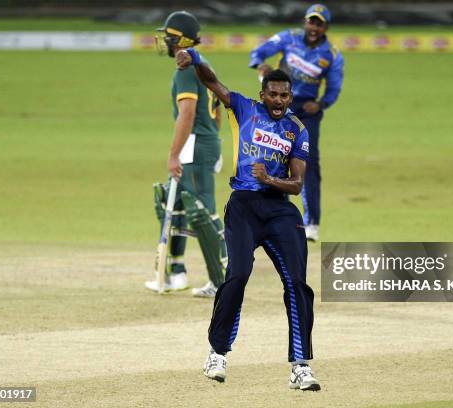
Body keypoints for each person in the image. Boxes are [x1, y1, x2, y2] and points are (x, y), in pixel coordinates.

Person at [176, 47, 321, 391]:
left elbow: (298, 183)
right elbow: (212, 82)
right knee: (238, 274)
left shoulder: (296, 130)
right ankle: (217, 352)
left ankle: (300, 366)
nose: (279, 100)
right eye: (273, 94)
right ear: (263, 94)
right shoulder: (244, 108)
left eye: (284, 95)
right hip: (243, 205)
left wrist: (271, 180)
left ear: (290, 97)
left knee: (298, 285)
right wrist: (195, 57)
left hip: (279, 209)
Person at [144, 11, 226, 298]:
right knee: (172, 202)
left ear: (179, 39)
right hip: (203, 143)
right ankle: (176, 273)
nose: (164, 40)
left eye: (168, 35)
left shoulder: (186, 69)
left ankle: (224, 279)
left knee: (202, 211)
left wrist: (173, 154)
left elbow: (187, 114)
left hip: (196, 145)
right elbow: (216, 112)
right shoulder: (200, 65)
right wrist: (212, 140)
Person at [249, 4, 344, 242]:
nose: (313, 27)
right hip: (280, 107)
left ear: (325, 27)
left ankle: (311, 223)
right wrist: (260, 65)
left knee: (308, 163)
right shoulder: (288, 37)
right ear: (305, 22)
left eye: (319, 23)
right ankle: (273, 215)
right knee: (272, 158)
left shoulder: (332, 55)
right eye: (311, 22)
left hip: (307, 112)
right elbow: (259, 52)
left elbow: (334, 88)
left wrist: (321, 104)